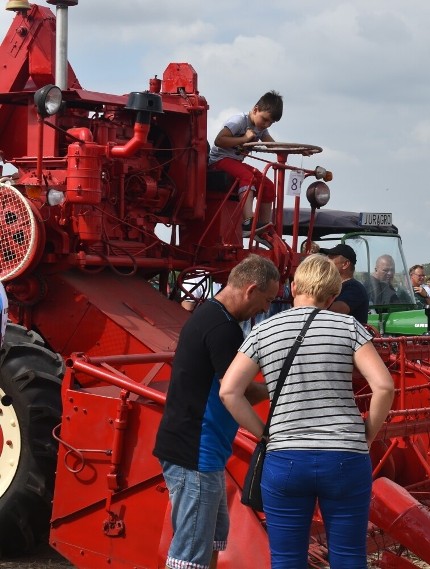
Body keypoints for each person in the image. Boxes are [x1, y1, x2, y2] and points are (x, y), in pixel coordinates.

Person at [219, 254, 395, 569]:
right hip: (344, 455)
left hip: (286, 457)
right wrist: (367, 435)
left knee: (287, 559)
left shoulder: (264, 330)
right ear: (333, 295)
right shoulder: (347, 326)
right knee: (349, 557)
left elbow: (229, 391)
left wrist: (264, 434)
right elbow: (383, 386)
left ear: (295, 286)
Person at [154, 255, 281, 569]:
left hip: (200, 449)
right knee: (191, 548)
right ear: (251, 290)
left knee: (211, 537)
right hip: (196, 450)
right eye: (266, 300)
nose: (265, 309)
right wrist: (267, 428)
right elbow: (235, 393)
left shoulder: (210, 317)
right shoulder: (223, 329)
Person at [208, 91, 284, 237]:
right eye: (265, 119)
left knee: (268, 186)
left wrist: (295, 150)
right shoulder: (239, 121)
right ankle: (248, 222)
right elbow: (219, 140)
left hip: (234, 162)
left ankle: (262, 230)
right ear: (255, 110)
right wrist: (244, 139)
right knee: (247, 177)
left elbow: (273, 146)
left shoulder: (261, 128)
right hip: (219, 161)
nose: (266, 124)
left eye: (270, 123)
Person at [321, 243, 369, 324]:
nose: (326, 261)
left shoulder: (355, 288)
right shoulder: (335, 287)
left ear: (345, 264)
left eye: (331, 258)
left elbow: (337, 311)